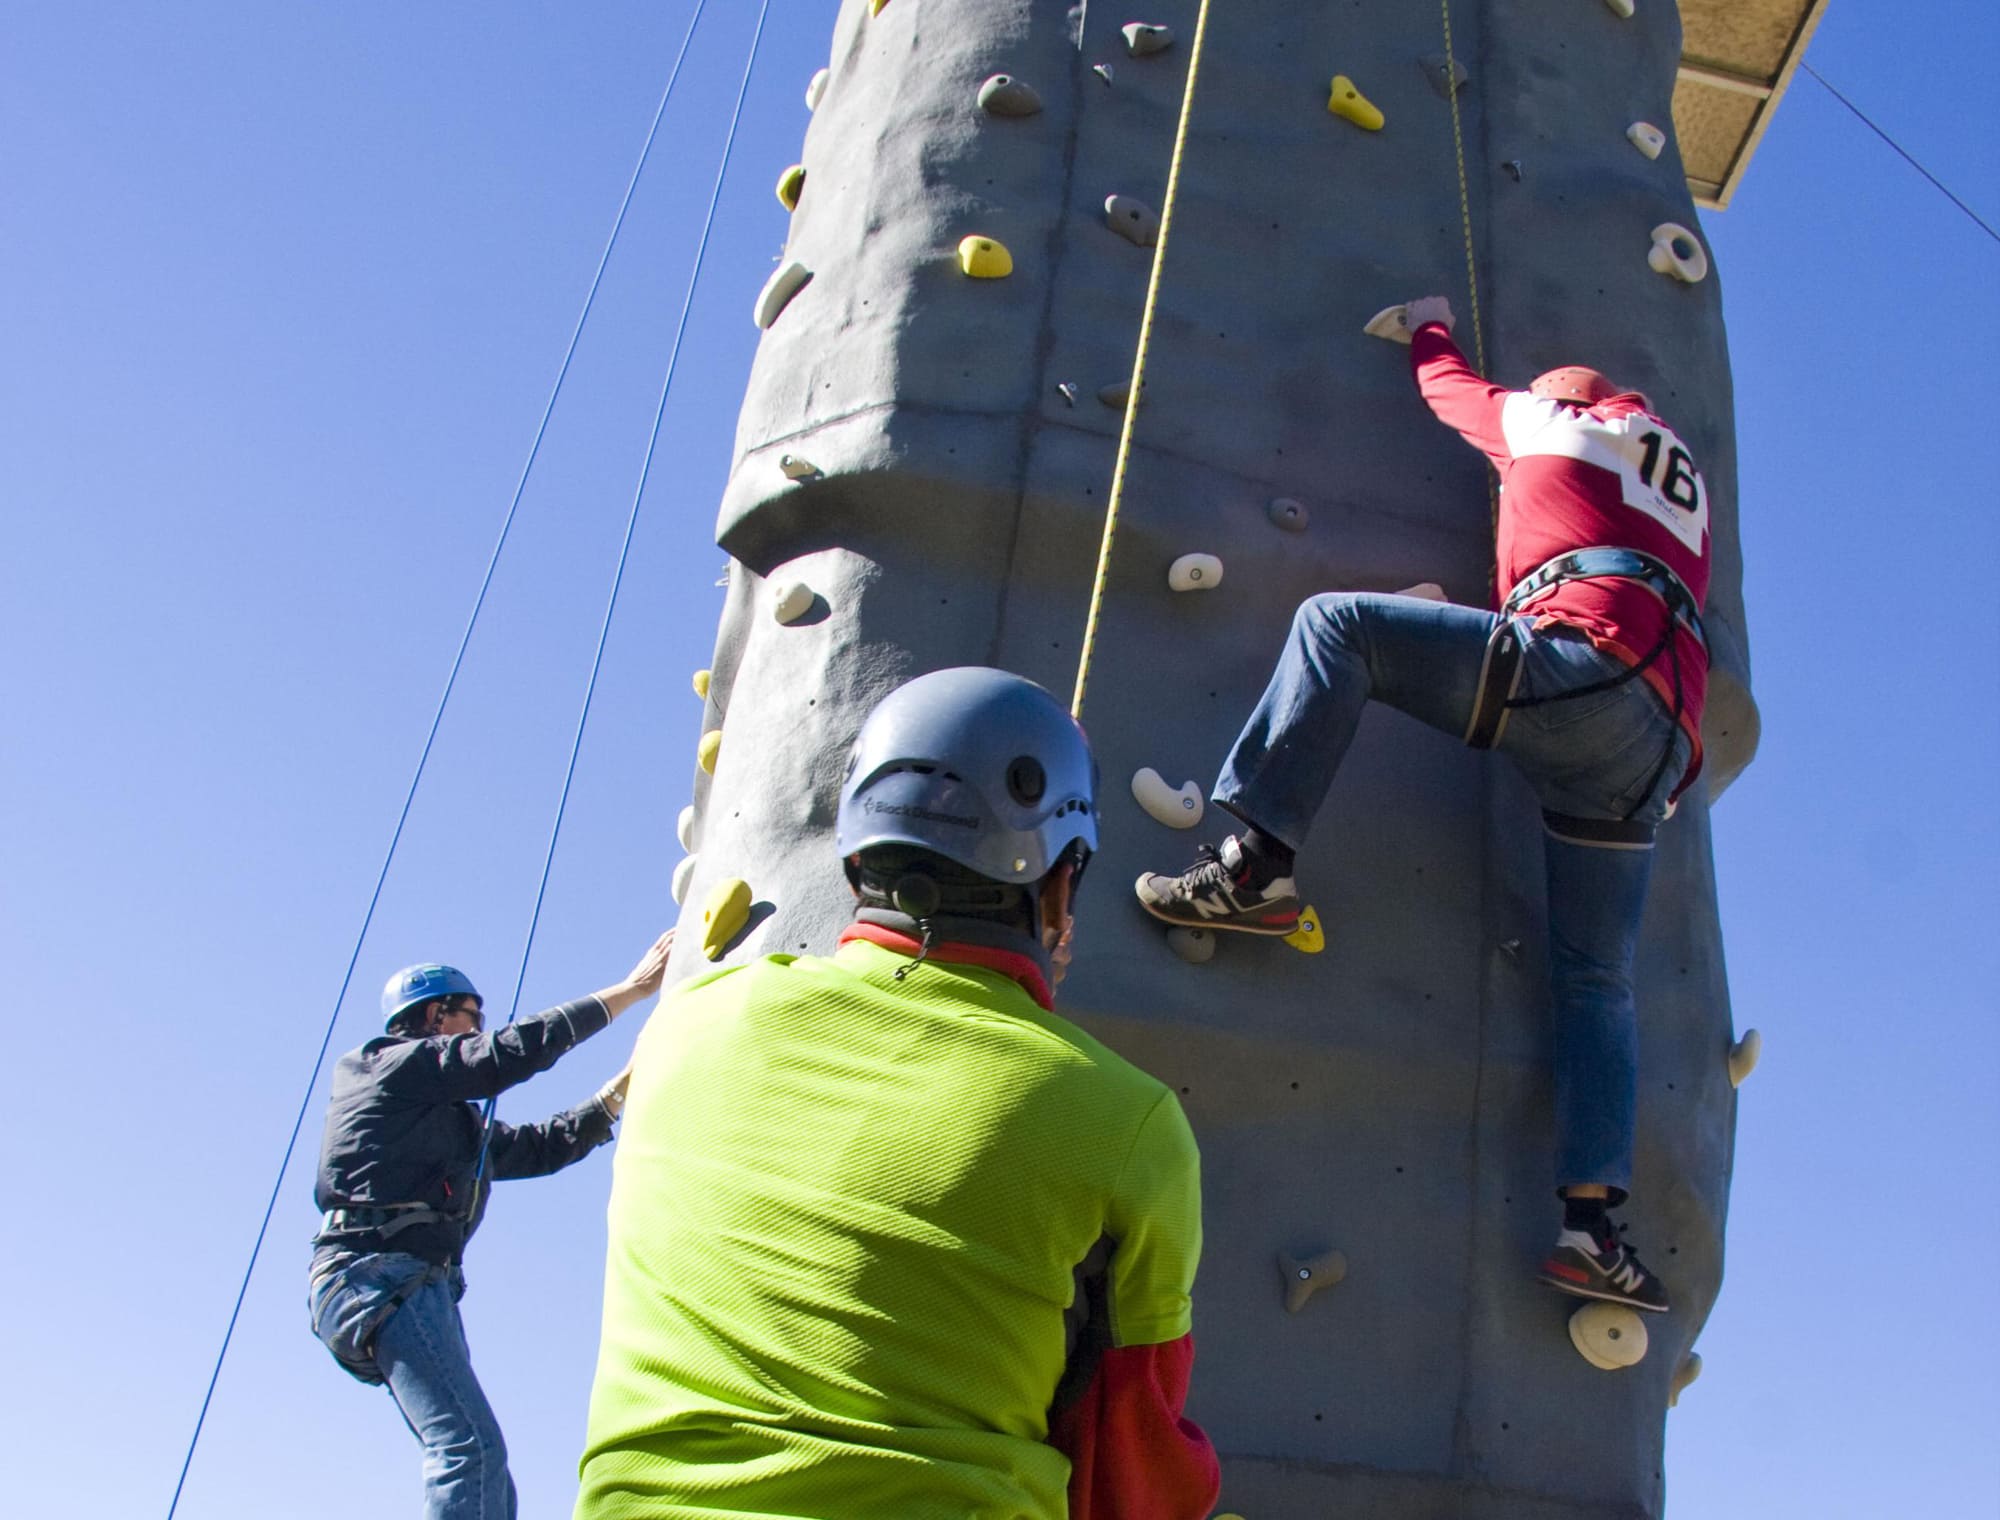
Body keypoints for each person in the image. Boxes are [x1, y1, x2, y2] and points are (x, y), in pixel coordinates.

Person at [1136, 297, 1712, 1316]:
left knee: (1337, 627)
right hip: (1658, 739)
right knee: (1595, 978)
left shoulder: (1548, 422)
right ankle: (1589, 1229)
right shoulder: (1679, 478)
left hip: (1580, 668)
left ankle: (1254, 866)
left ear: (1556, 401)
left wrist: (1430, 328)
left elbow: (1447, 392)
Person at [576, 667, 1219, 1520]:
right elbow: (1130, 1469)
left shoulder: (683, 1027)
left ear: (853, 864)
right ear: (1061, 885)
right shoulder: (1128, 1122)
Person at [308, 931, 674, 1520]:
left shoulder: (444, 1125)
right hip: (377, 1276)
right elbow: (502, 1056)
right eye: (471, 1017)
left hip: (406, 1282)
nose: (479, 1029)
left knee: (486, 1466)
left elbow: (539, 1148)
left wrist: (625, 1082)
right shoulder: (381, 1068)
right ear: (435, 1015)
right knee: (468, 1449)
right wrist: (631, 992)